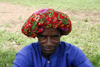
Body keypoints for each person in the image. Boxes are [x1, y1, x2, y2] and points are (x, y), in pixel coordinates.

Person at [13, 9, 93, 67]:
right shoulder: (26, 54)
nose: (48, 43)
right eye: (43, 37)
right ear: (37, 36)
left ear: (61, 35)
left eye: (54, 37)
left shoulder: (73, 53)